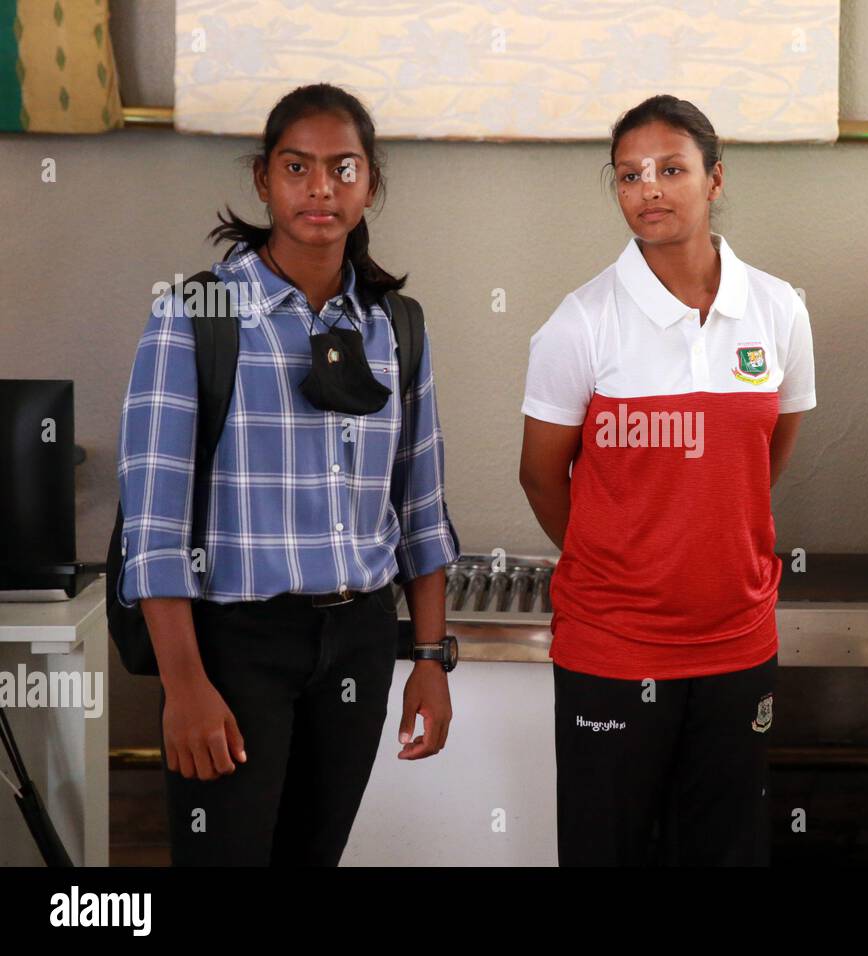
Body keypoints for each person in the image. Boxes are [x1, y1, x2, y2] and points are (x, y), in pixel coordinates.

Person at [116, 83, 460, 866]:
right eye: (297, 166)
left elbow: (423, 509)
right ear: (264, 180)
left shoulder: (398, 327)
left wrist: (431, 662)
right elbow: (154, 528)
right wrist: (184, 686)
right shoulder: (193, 316)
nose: (321, 188)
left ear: (370, 182)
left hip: (360, 640)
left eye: (343, 168)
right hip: (235, 647)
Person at [519, 94, 816, 866]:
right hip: (613, 645)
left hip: (738, 642)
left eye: (671, 169)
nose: (648, 188)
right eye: (629, 175)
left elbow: (763, 456)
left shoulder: (779, 309)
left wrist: (707, 531)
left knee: (725, 851)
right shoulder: (580, 322)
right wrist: (624, 554)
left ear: (715, 180)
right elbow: (542, 477)